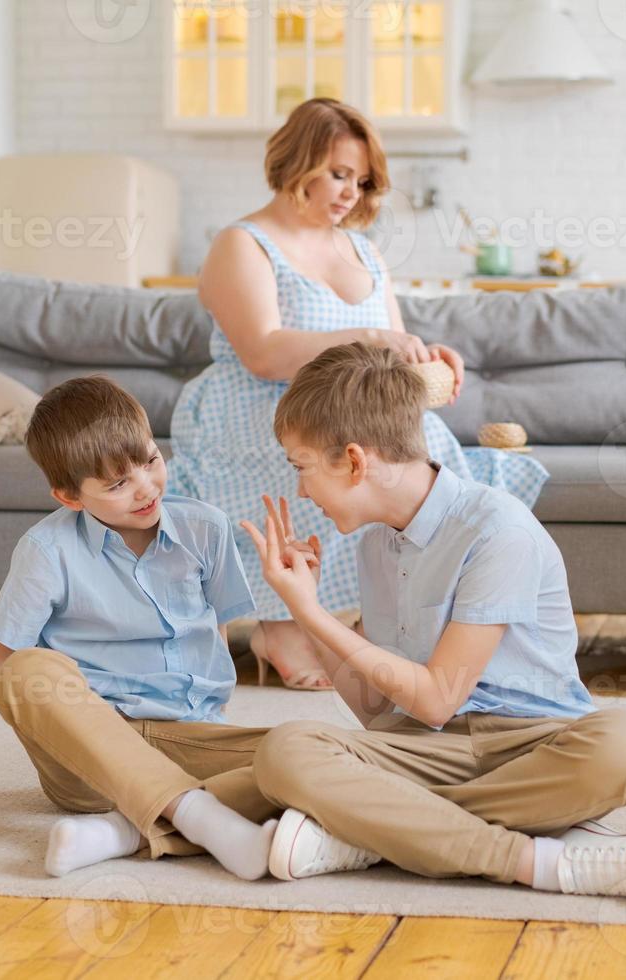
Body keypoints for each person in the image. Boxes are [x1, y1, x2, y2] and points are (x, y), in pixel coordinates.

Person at [242, 343, 626, 902]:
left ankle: (375, 833)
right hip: (423, 751)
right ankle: (535, 857)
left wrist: (313, 614)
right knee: (286, 750)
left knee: (624, 747)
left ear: (355, 462)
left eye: (302, 468)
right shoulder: (374, 550)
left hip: (533, 747)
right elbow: (376, 711)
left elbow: (436, 698)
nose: (300, 490)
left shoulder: (498, 530)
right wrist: (303, 609)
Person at [169, 97, 547, 692]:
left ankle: (405, 622)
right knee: (310, 458)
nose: (352, 191)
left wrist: (420, 359)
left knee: (427, 463)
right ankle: (280, 626)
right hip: (258, 404)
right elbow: (263, 351)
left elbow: (386, 348)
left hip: (350, 407)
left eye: (362, 179)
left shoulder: (364, 250)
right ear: (297, 160)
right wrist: (371, 335)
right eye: (339, 173)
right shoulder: (243, 243)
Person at [0, 377, 277, 880]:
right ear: (69, 496)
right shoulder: (46, 551)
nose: (145, 487)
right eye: (116, 484)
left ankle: (120, 832)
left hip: (191, 741)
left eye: (150, 461)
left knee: (312, 754)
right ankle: (199, 816)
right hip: (87, 764)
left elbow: (214, 640)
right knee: (22, 670)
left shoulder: (207, 527)